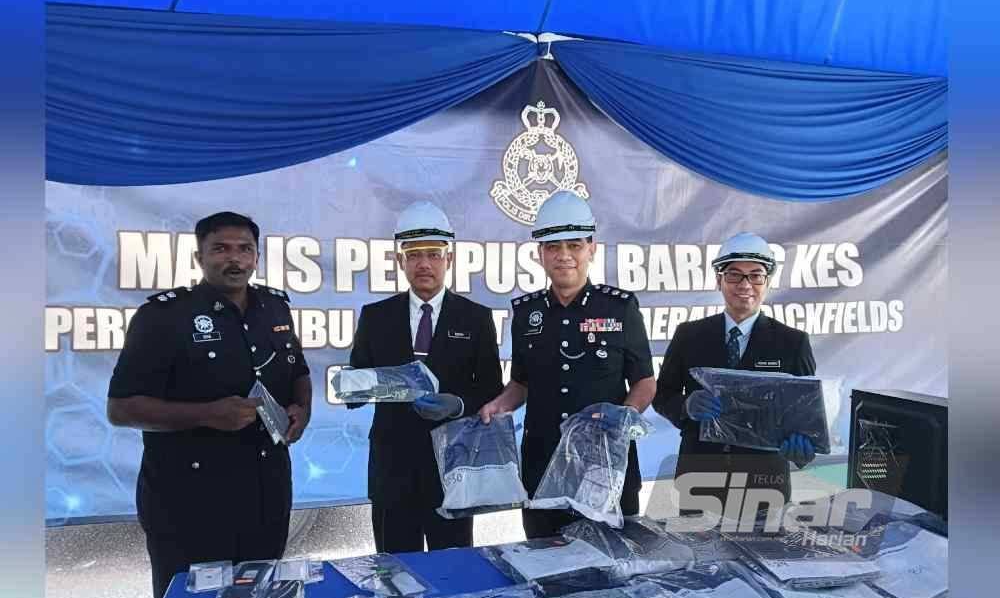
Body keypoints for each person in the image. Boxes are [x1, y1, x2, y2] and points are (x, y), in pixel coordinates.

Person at [106, 211, 311, 598]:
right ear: (199, 257)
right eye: (221, 249)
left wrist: (302, 409)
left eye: (245, 249)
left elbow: (298, 370)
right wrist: (207, 414)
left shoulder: (274, 308)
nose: (234, 258)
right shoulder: (164, 316)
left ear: (256, 257)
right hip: (189, 502)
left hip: (266, 495)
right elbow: (121, 408)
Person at [479, 191, 657, 538]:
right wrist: (499, 405)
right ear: (540, 254)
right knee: (544, 562)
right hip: (543, 469)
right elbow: (521, 382)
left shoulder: (619, 308)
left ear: (591, 248)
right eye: (553, 247)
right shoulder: (526, 313)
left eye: (574, 245)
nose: (564, 256)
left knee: (612, 565)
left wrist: (624, 415)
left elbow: (645, 382)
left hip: (605, 469)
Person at [348, 201, 503, 553]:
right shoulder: (376, 317)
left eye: (433, 254)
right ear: (400, 260)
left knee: (453, 567)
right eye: (414, 255)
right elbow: (358, 382)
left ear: (449, 259)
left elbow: (491, 389)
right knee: (395, 569)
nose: (424, 264)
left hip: (452, 469)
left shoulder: (475, 318)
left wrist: (458, 404)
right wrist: (354, 387)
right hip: (392, 469)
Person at [652, 232, 816, 514]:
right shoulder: (689, 335)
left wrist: (803, 448)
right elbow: (662, 394)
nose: (745, 285)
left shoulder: (792, 343)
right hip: (698, 480)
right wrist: (686, 405)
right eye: (734, 275)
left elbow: (806, 414)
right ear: (719, 280)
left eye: (756, 275)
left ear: (768, 282)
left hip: (765, 485)